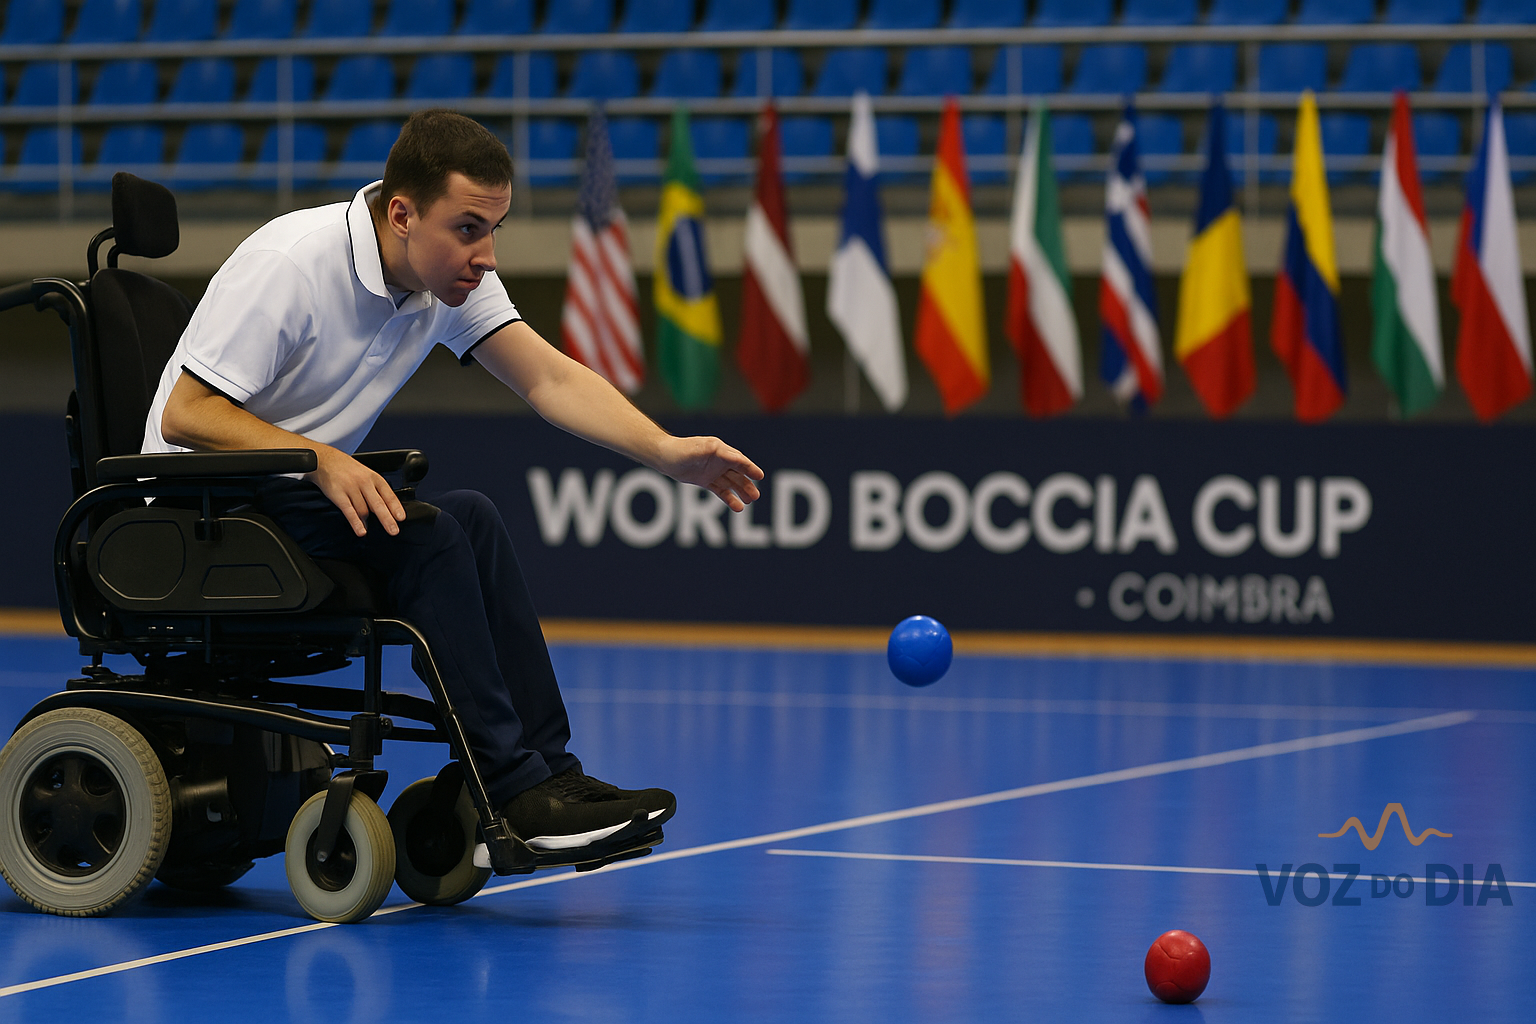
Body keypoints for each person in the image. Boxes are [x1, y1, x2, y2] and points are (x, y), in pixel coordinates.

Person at [141, 109, 763, 861]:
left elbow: (549, 377)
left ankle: (550, 776)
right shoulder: (291, 264)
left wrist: (664, 452)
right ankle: (512, 792)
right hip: (199, 508)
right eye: (469, 229)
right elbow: (187, 414)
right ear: (403, 215)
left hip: (286, 494)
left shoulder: (443, 283)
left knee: (472, 517)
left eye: (493, 230)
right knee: (430, 535)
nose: (487, 256)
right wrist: (322, 458)